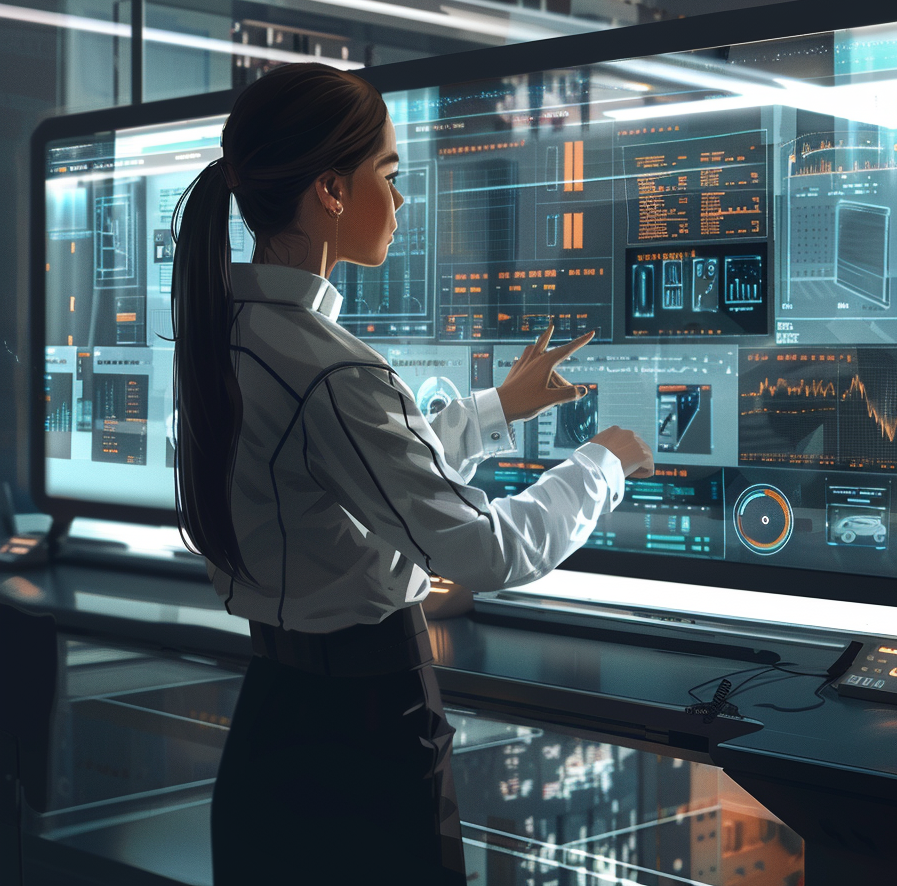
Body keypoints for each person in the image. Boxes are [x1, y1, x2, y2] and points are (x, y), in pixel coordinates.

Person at [171, 62, 653, 885]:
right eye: (388, 176)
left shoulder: (232, 330)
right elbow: (485, 552)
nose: (401, 202)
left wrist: (497, 408)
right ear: (329, 189)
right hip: (367, 727)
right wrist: (605, 462)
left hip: (272, 720)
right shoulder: (333, 369)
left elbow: (348, 472)